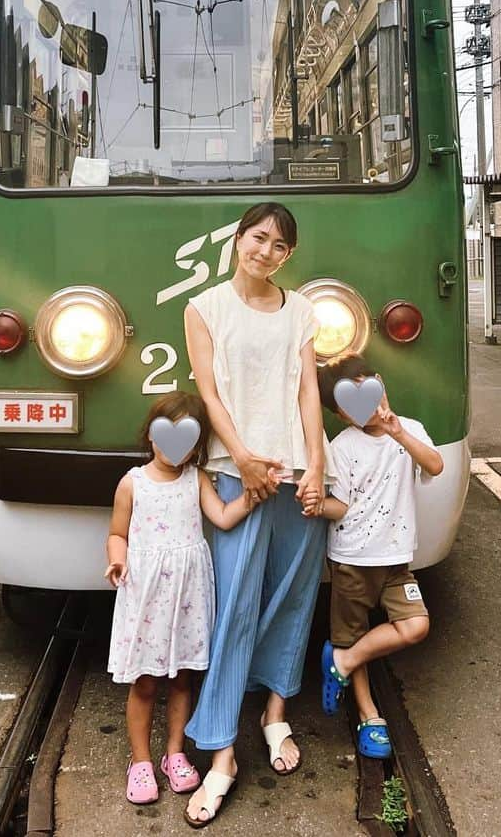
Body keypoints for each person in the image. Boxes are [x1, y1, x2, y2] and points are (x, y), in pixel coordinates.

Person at [182, 202, 330, 828]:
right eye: (257, 239)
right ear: (237, 240)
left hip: (295, 474)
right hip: (238, 471)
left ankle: (275, 715)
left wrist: (318, 463)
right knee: (234, 605)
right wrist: (241, 457)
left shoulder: (300, 311)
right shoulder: (204, 307)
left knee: (292, 598)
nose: (265, 252)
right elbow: (208, 391)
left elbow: (307, 392)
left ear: (288, 257)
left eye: (278, 246)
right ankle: (220, 752)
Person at [105, 392, 257, 806]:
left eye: (188, 440)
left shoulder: (197, 479)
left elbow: (223, 517)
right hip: (148, 598)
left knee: (182, 679)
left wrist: (254, 494)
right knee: (145, 682)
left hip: (187, 598)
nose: (177, 448)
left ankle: (175, 753)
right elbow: (118, 532)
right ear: (151, 437)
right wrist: (117, 561)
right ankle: (140, 762)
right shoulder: (131, 483)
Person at [315, 354, 443, 760]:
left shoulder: (411, 430)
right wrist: (315, 503)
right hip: (352, 557)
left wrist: (399, 433)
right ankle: (370, 716)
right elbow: (342, 506)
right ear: (340, 414)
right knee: (352, 631)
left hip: (395, 559)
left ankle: (342, 660)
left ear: (381, 383)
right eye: (350, 405)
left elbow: (435, 466)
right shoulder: (343, 447)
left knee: (415, 626)